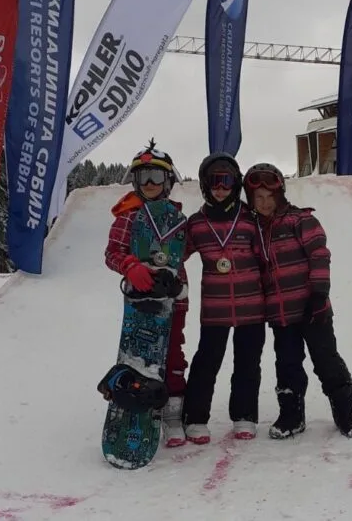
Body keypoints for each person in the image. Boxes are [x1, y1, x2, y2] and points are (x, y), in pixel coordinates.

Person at [244, 163, 352, 439]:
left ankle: (345, 413)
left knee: (326, 361)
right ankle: (292, 415)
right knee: (287, 364)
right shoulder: (254, 231)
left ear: (280, 195)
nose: (264, 203)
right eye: (257, 198)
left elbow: (319, 255)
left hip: (312, 309)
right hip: (281, 314)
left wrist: (319, 294)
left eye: (269, 197)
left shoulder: (300, 220)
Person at [101, 140, 191, 448]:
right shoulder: (129, 215)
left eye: (156, 177)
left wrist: (176, 281)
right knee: (141, 355)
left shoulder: (175, 217)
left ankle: (173, 413)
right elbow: (112, 252)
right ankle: (134, 403)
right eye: (143, 178)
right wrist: (129, 266)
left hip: (173, 298)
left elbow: (182, 253)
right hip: (141, 300)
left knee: (173, 353)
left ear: (168, 182)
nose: (149, 184)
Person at [180, 153, 266, 443]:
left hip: (251, 306)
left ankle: (245, 416)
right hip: (215, 308)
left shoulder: (250, 220)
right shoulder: (196, 223)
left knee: (248, 361)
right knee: (207, 360)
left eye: (226, 181)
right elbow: (176, 256)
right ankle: (195, 417)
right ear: (205, 185)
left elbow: (270, 257)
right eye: (214, 182)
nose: (220, 188)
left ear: (236, 183)